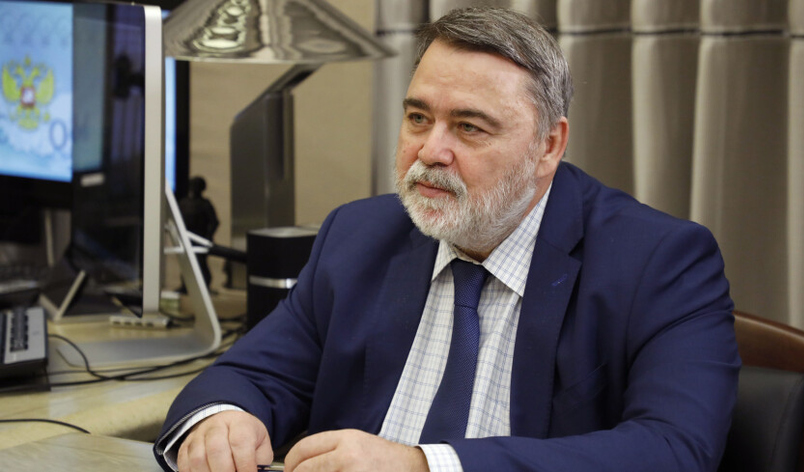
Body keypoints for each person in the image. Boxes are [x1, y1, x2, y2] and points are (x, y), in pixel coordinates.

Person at [154, 7, 740, 472]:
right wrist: (222, 420)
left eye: (468, 126)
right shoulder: (357, 237)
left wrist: (424, 466)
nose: (430, 151)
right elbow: (250, 377)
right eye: (417, 118)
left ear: (549, 146)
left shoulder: (660, 261)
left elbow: (674, 449)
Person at [178, 176, 219, 291]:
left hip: (200, 238)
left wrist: (208, 236)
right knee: (186, 263)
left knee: (201, 263)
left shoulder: (205, 204)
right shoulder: (184, 203)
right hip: (187, 239)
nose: (194, 189)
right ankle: (185, 285)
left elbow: (214, 222)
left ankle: (205, 286)